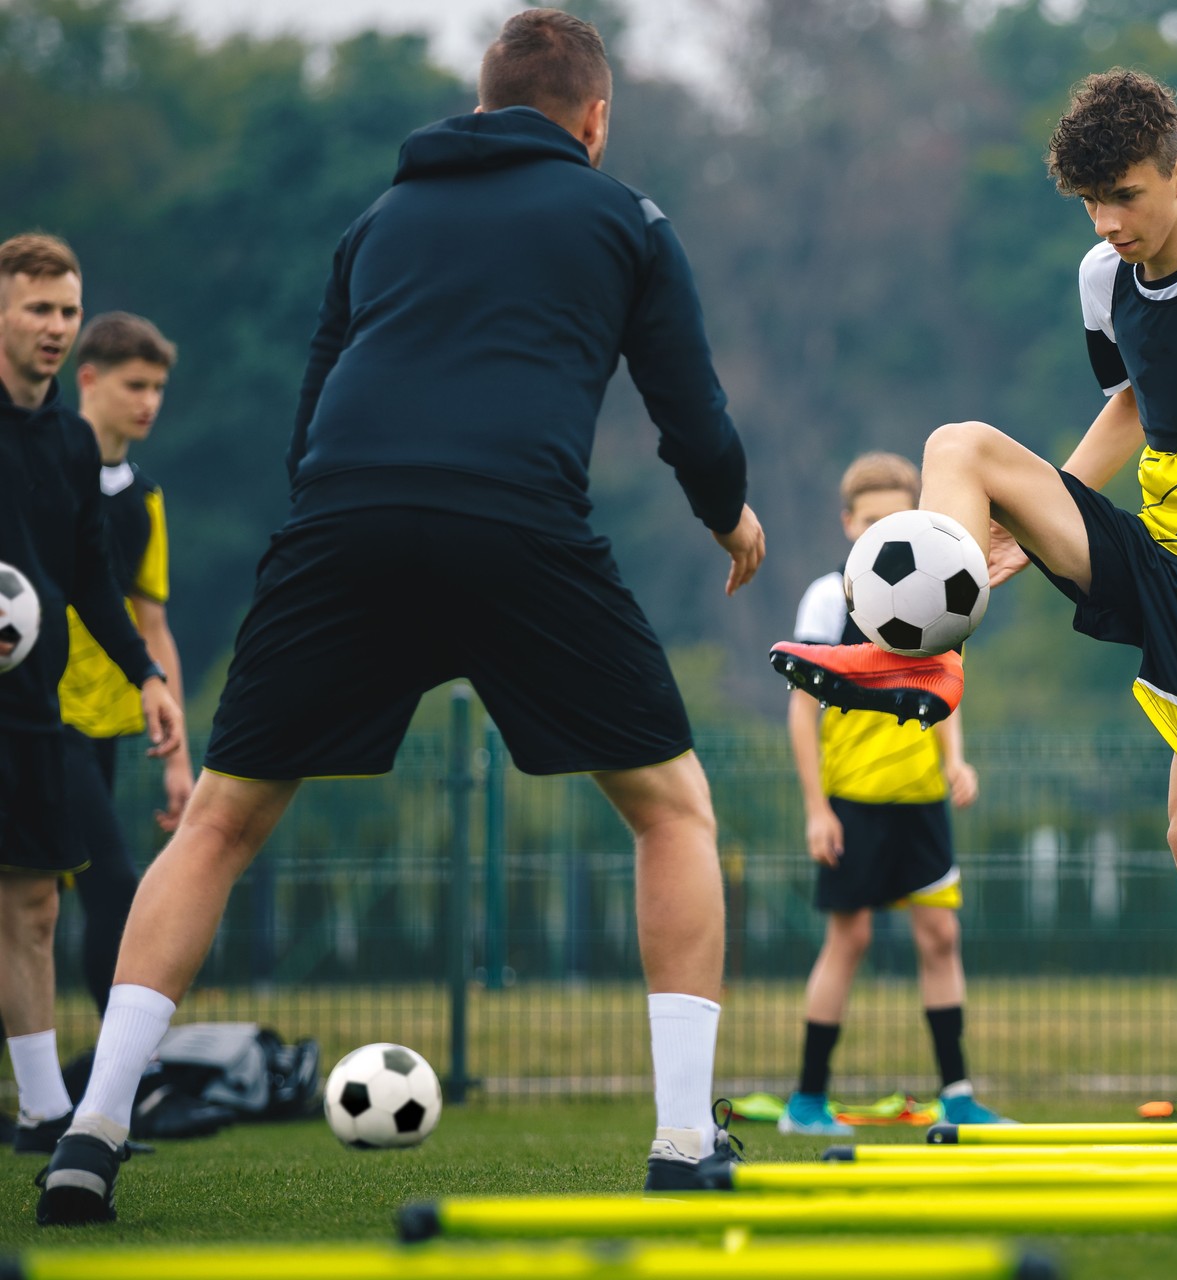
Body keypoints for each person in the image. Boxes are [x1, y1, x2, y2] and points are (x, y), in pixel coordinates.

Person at [37, 9, 763, 1226]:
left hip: (344, 522)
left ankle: (88, 1133)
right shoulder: (624, 214)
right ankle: (686, 1140)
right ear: (594, 119)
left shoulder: (378, 219)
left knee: (215, 820)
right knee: (672, 808)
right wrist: (727, 512)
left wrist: (333, 532)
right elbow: (686, 403)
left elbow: (315, 405)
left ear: (482, 109)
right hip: (516, 521)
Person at [774, 69, 1177, 1123]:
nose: (1109, 222)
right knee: (960, 445)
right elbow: (1130, 402)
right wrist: (1049, 520)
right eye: (1090, 203)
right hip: (1155, 552)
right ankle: (920, 655)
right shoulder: (1101, 275)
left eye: (1125, 195)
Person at [0, 234, 184, 1161]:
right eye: (38, 308)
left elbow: (94, 582)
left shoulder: (70, 445)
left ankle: (42, 1115)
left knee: (33, 906)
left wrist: (147, 677)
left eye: (67, 311)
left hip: (35, 704)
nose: (56, 328)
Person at [781, 452, 1007, 1136]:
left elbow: (946, 685)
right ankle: (807, 1103)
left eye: (897, 517)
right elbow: (800, 711)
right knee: (847, 940)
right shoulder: (829, 597)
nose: (882, 528)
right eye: (871, 518)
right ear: (849, 522)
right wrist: (816, 809)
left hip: (920, 800)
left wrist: (956, 760)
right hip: (855, 801)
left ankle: (959, 1096)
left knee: (941, 937)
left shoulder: (936, 590)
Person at [58, 313, 195, 1021]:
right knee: (108, 881)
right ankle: (114, 1082)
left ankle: (75, 1089)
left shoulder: (145, 498)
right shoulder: (43, 466)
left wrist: (180, 760)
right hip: (40, 713)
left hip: (108, 719)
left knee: (48, 897)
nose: (149, 401)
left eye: (159, 387)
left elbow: (153, 623)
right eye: (134, 384)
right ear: (88, 380)